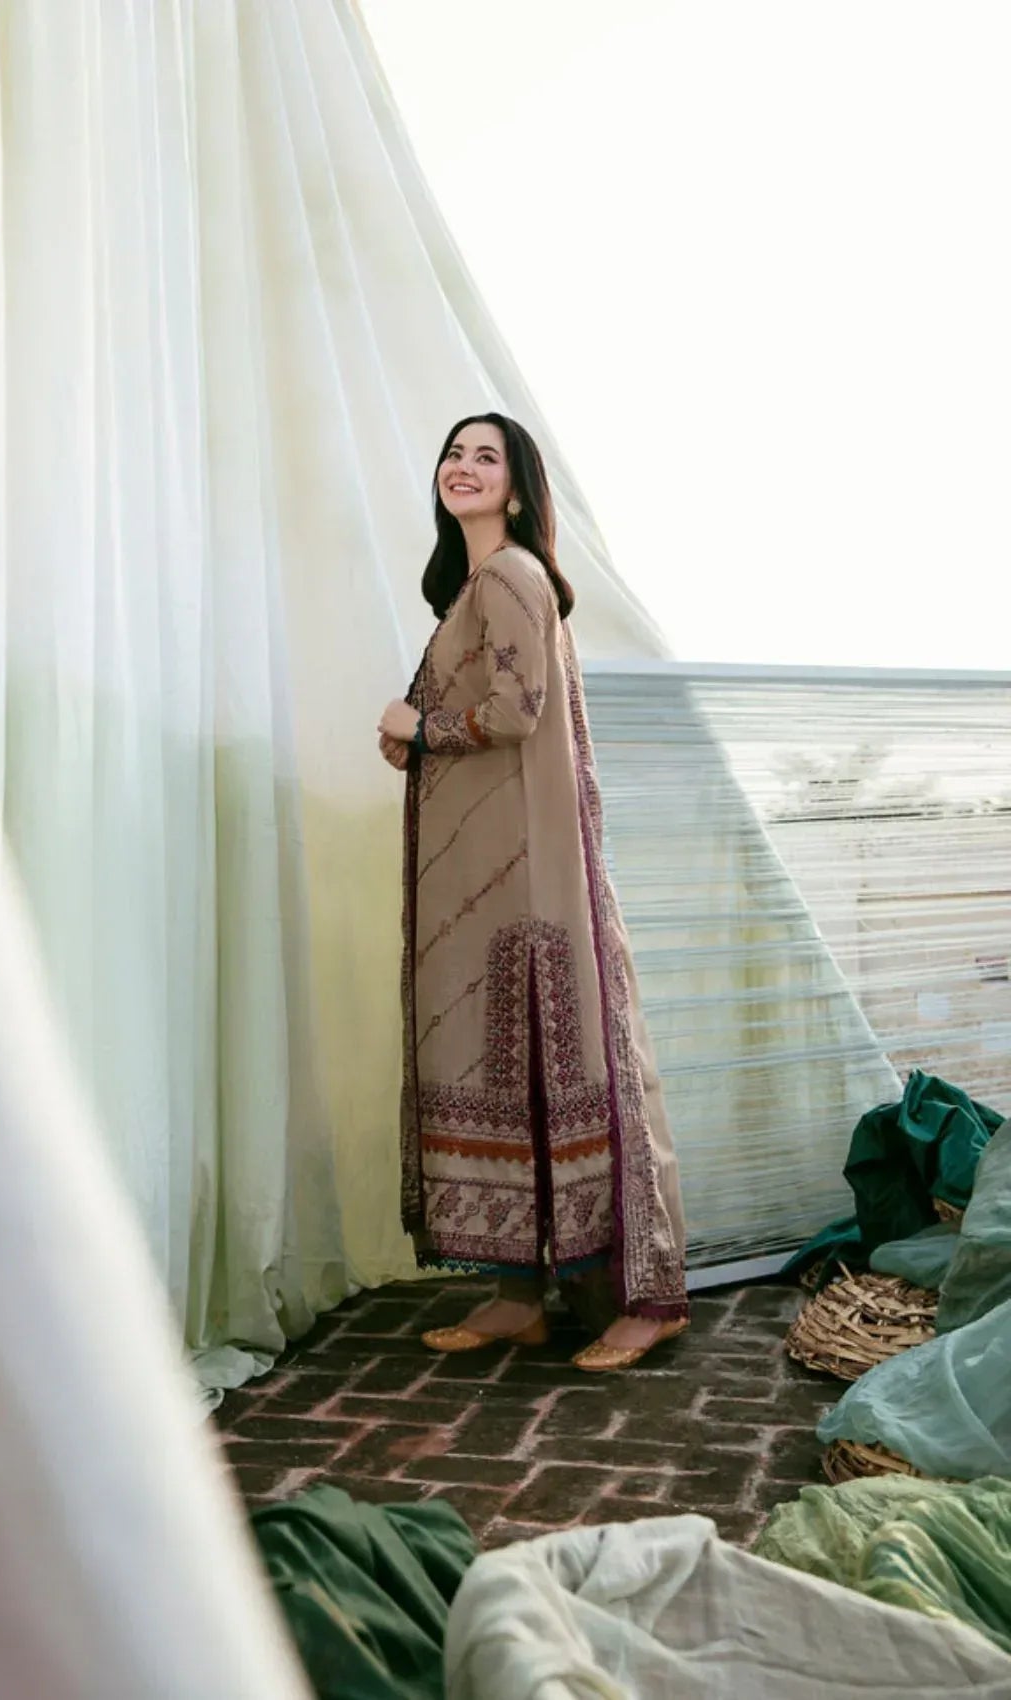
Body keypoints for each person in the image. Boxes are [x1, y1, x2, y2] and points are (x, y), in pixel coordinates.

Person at [378, 413, 688, 1370]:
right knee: (500, 1069)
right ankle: (519, 1299)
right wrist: (415, 730)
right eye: (453, 453)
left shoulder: (510, 573)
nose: (463, 468)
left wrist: (424, 729)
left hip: (524, 883)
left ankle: (644, 1300)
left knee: (564, 1061)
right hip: (487, 883)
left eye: (487, 458)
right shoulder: (474, 586)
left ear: (515, 490)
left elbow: (519, 709)